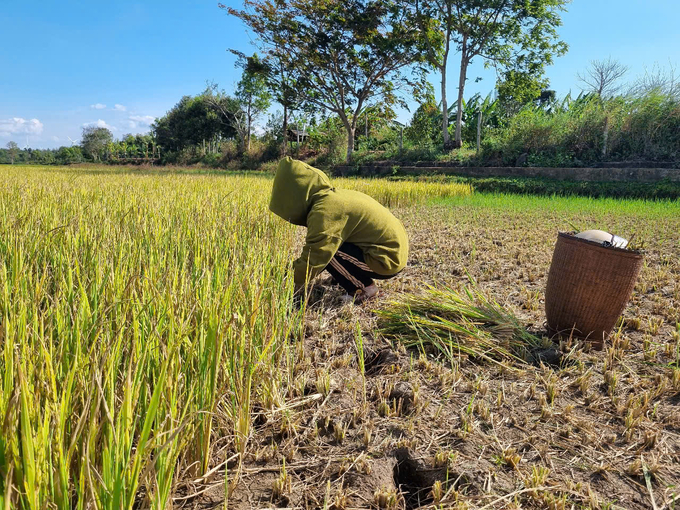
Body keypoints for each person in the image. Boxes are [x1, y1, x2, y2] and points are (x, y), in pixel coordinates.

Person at [269, 157, 409, 304]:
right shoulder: (332, 198)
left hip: (387, 260)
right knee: (332, 246)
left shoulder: (326, 210)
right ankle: (346, 275)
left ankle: (364, 289)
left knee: (329, 252)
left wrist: (281, 277)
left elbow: (316, 257)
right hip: (393, 250)